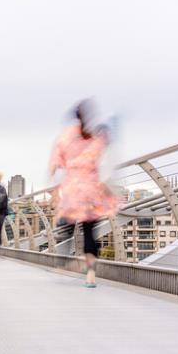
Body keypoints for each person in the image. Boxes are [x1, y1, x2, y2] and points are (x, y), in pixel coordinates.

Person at [49, 99, 119, 288]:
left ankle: (64, 261)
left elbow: (56, 165)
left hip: (73, 190)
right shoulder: (99, 135)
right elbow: (105, 163)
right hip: (92, 190)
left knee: (68, 226)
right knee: (90, 232)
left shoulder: (67, 136)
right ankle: (90, 275)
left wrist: (56, 189)